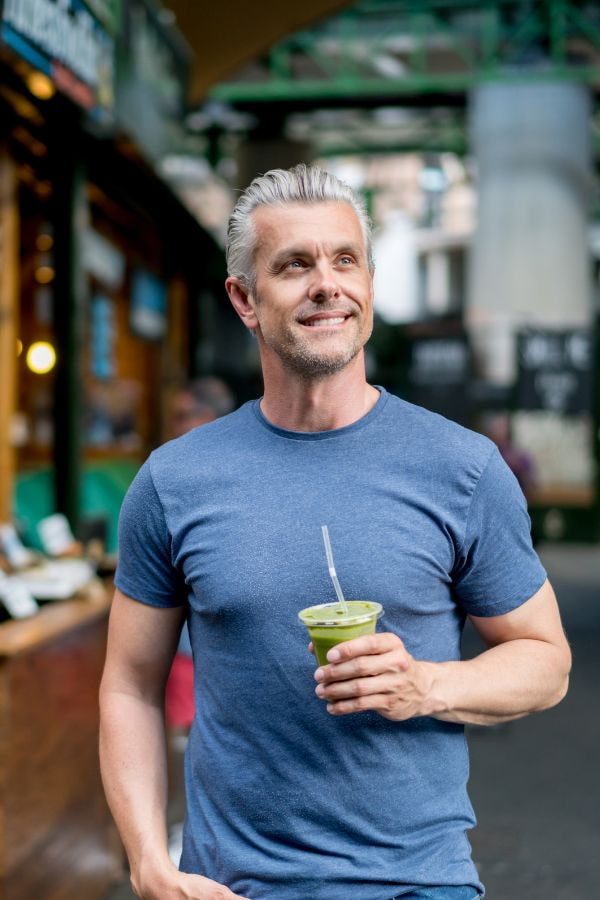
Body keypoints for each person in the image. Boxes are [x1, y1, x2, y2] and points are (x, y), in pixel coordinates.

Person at [99, 165, 571, 900]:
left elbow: (546, 661)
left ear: (370, 287)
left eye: (345, 259)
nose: (326, 284)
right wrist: (149, 865)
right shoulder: (174, 482)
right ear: (244, 299)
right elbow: (131, 685)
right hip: (235, 885)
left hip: (419, 882)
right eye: (294, 265)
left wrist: (427, 685)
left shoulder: (462, 468)